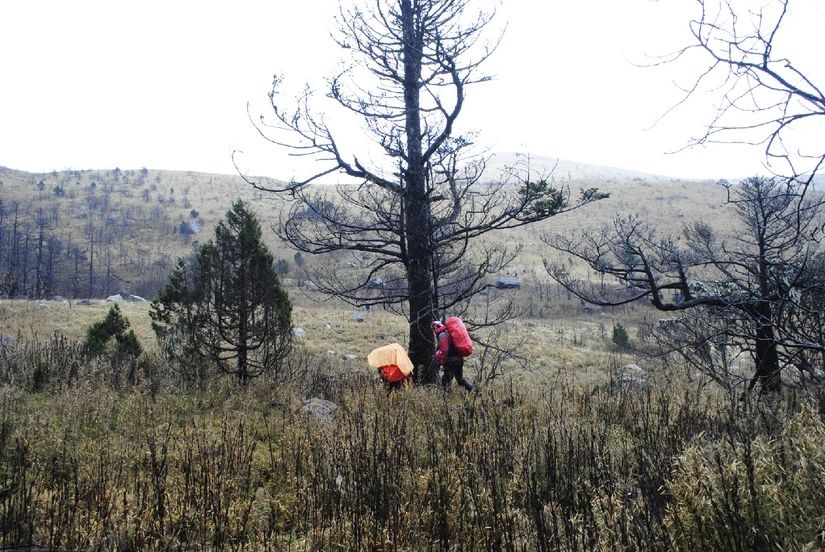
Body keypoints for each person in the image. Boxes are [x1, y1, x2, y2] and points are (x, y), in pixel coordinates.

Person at [431, 320, 474, 392]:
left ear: (435, 327)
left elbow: (444, 350)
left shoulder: (442, 335)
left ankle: (447, 400)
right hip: (459, 360)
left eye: (433, 328)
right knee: (460, 380)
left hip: (452, 361)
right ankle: (473, 390)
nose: (433, 331)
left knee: (445, 382)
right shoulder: (448, 332)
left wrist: (441, 362)